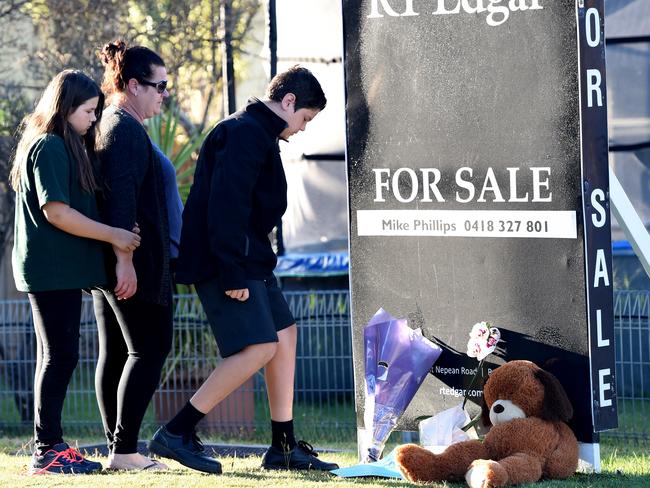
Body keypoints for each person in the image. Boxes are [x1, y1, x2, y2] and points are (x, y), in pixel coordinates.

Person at [148, 65, 338, 474]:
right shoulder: (245, 132)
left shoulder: (258, 132)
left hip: (250, 258)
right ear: (288, 102)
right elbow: (226, 207)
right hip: (226, 261)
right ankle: (176, 433)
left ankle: (284, 446)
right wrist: (232, 272)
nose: (303, 128)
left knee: (284, 334)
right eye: (305, 118)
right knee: (259, 347)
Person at [10, 69, 141, 475]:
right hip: (51, 272)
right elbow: (58, 212)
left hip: (60, 272)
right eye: (87, 111)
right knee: (60, 357)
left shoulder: (62, 144)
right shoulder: (48, 145)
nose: (92, 119)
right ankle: (48, 450)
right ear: (65, 107)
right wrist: (115, 234)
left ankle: (47, 446)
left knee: (56, 356)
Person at [92, 39, 179, 471]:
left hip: (124, 256)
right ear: (131, 85)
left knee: (119, 351)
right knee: (150, 347)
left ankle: (118, 448)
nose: (164, 94)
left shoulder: (118, 124)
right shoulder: (121, 127)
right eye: (158, 86)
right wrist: (124, 259)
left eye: (166, 86)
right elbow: (120, 197)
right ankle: (125, 451)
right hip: (132, 261)